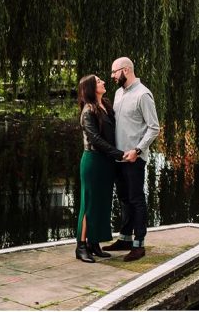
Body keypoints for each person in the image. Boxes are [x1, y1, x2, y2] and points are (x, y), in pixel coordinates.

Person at [102, 57, 161, 262]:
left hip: (134, 158)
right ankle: (125, 238)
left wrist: (137, 150)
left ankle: (139, 244)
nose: (112, 76)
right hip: (119, 158)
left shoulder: (143, 94)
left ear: (126, 70)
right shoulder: (119, 93)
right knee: (124, 199)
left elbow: (154, 128)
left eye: (114, 72)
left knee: (136, 200)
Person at [75, 74, 124, 263]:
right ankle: (81, 246)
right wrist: (119, 154)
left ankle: (94, 244)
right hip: (93, 161)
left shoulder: (106, 105)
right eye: (98, 81)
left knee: (102, 202)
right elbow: (95, 139)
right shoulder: (88, 110)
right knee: (88, 204)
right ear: (90, 88)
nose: (103, 82)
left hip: (106, 162)